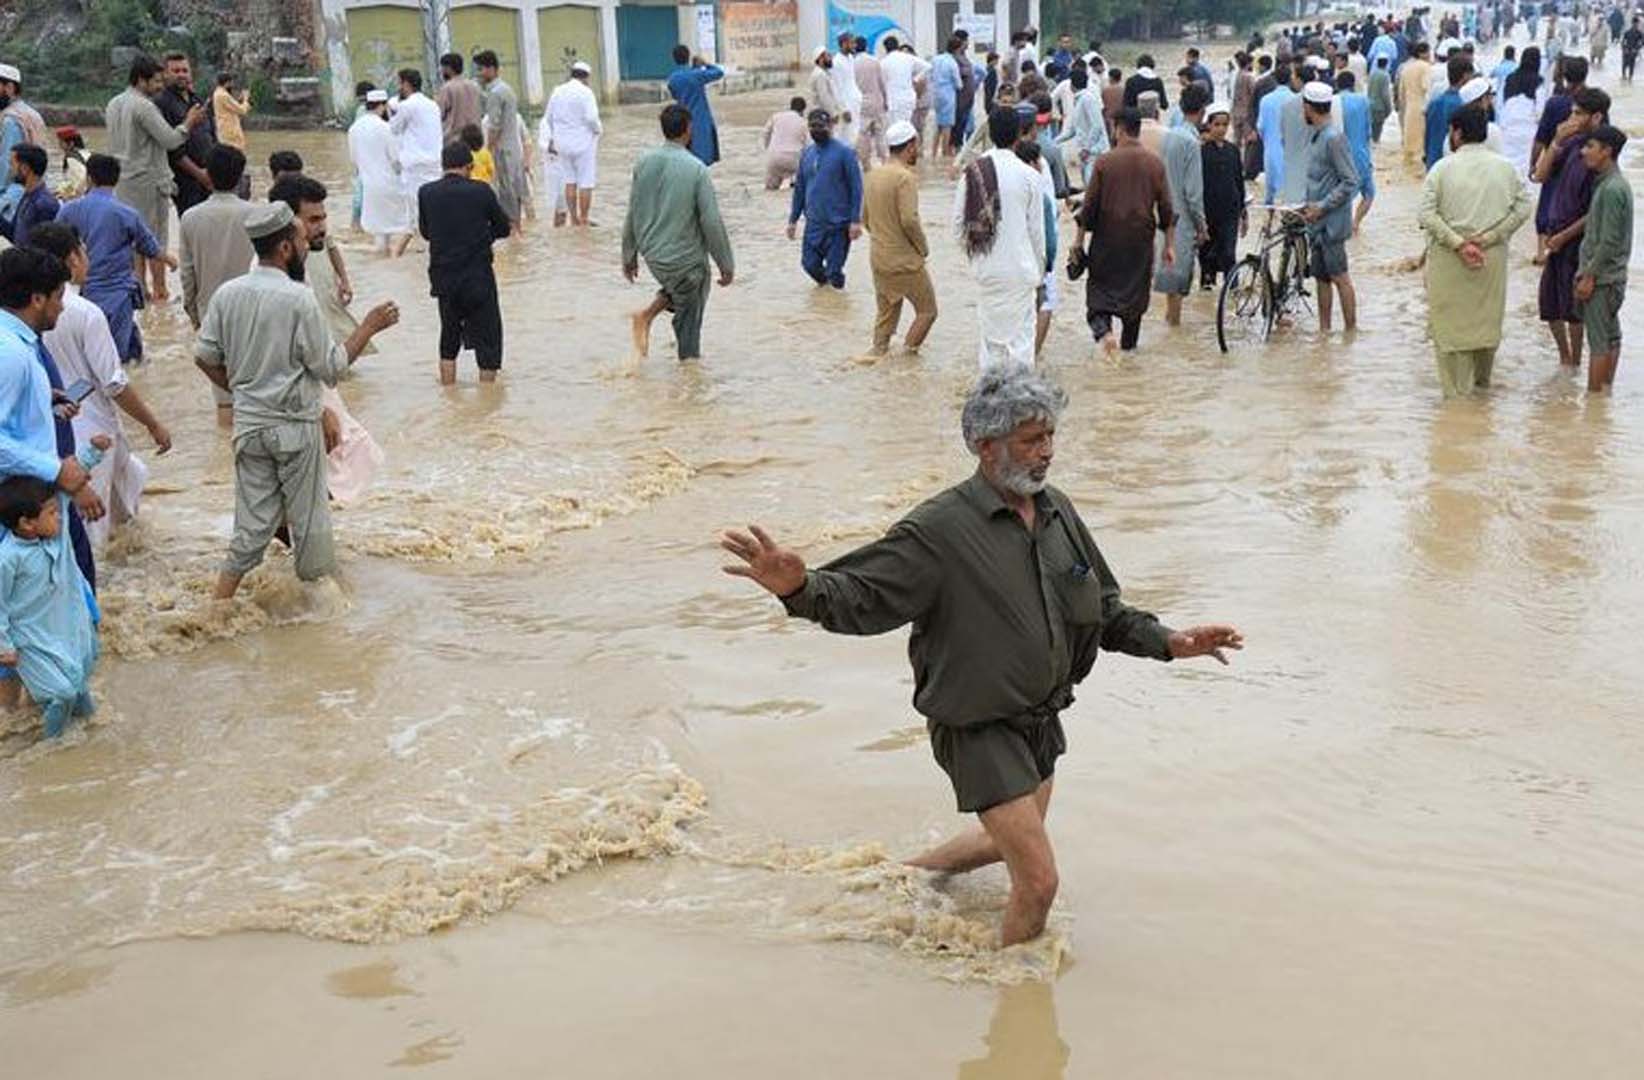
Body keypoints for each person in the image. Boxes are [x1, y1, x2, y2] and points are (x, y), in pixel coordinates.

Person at [718, 367, 1242, 947]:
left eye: (1049, 437)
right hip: (977, 726)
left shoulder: (1055, 511)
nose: (1045, 453)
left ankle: (904, 876)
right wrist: (798, 588)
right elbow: (862, 600)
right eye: (1029, 440)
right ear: (984, 445)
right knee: (1038, 882)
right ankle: (1011, 999)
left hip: (1039, 721)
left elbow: (1102, 606)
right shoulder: (938, 530)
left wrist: (1171, 642)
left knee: (1003, 841)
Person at [193, 202, 399, 599]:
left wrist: (241, 391)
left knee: (251, 526)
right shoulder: (297, 299)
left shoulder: (227, 295)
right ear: (285, 248)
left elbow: (203, 357)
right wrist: (369, 326)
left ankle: (218, 605)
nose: (308, 248)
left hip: (250, 426)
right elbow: (332, 367)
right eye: (303, 241)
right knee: (310, 526)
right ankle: (322, 621)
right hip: (294, 429)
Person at [29, 222, 170, 545]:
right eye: (84, 250)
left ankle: (132, 570)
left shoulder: (25, 311)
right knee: (95, 526)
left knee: (125, 500)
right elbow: (114, 383)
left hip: (61, 432)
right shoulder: (86, 313)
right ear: (73, 260)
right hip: (95, 434)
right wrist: (153, 424)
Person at [0, 244, 105, 641]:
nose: (63, 307)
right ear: (36, 298)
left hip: (29, 499)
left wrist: (43, 399)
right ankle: (14, 705)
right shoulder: (10, 354)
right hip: (15, 504)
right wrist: (56, 468)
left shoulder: (16, 345)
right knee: (22, 623)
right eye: (59, 297)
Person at [1417, 106, 1532, 397]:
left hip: (1450, 261)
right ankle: (1481, 400)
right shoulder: (1505, 168)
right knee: (1485, 328)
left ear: (1456, 132)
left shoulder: (1442, 168)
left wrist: (1459, 243)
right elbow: (1523, 207)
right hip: (1490, 259)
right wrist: (1492, 236)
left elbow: (1426, 215)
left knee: (1451, 335)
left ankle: (1457, 406)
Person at [0, 433, 108, 738]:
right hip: (31, 641)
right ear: (26, 524)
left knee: (80, 689)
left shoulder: (55, 535)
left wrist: (93, 452)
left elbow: (67, 485)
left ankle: (86, 741)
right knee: (61, 693)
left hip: (64, 627)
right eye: (51, 514)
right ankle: (51, 748)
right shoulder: (7, 559)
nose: (60, 518)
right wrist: (4, 645)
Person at [622, 104, 735, 360]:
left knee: (682, 289)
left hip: (653, 257)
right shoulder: (697, 169)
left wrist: (628, 255)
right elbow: (712, 222)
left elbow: (632, 211)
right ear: (688, 130)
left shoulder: (643, 162)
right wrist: (725, 264)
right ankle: (689, 379)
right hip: (685, 263)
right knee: (690, 315)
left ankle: (646, 316)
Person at [104, 54, 206, 304]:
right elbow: (171, 140)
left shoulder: (114, 103)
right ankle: (160, 292)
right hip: (148, 181)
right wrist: (188, 123)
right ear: (142, 80)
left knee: (134, 237)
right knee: (153, 239)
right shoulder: (144, 106)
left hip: (123, 181)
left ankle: (140, 292)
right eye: (157, 81)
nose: (161, 86)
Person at [52, 154, 172, 365]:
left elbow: (51, 243)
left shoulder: (69, 210)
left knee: (90, 354)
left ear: (89, 178)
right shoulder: (126, 213)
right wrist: (171, 261)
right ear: (117, 180)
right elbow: (150, 248)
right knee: (119, 358)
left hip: (82, 292)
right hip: (118, 295)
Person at [1072, 107, 1172, 355]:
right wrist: (1169, 246)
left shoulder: (1105, 162)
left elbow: (1089, 207)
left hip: (1107, 242)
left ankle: (1105, 334)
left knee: (1098, 300)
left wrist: (1077, 243)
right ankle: (1128, 353)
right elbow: (1167, 209)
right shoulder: (1155, 163)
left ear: (1118, 129)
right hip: (1140, 244)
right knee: (1133, 307)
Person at [952, 107, 1046, 369]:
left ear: (990, 134)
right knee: (1021, 345)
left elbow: (958, 226)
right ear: (1019, 134)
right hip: (1021, 271)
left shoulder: (973, 173)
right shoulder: (1029, 176)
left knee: (990, 343)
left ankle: (989, 400)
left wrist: (977, 258)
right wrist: (1038, 272)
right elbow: (1036, 232)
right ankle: (1020, 403)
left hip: (987, 270)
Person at [416, 143, 510, 385]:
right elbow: (504, 228)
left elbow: (426, 232)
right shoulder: (481, 191)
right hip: (478, 277)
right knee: (488, 338)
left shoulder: (426, 193)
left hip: (444, 278)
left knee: (448, 335)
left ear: (443, 166)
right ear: (469, 166)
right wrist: (482, 238)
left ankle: (448, 390)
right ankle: (487, 397)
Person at [1534, 86, 1609, 369]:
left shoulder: (1599, 154)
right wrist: (1555, 141)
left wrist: (1565, 236)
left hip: (1577, 241)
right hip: (1557, 237)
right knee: (1549, 304)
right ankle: (1565, 359)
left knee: (1573, 310)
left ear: (1596, 117)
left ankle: (1575, 362)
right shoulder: (1570, 146)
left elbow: (1595, 211)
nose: (1572, 119)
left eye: (1579, 114)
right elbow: (1540, 175)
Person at [178, 145, 253, 415]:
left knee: (224, 402)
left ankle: (224, 453)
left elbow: (187, 273)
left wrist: (193, 313)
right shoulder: (256, 215)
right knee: (254, 395)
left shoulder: (190, 217)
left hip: (211, 314)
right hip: (252, 313)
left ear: (208, 174)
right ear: (240, 175)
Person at [271, 174, 368, 368]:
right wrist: (370, 327)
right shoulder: (281, 289)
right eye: (314, 220)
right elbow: (329, 366)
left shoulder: (297, 270)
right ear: (291, 223)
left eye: (323, 219)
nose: (322, 228)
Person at [862, 121, 935, 355]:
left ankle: (879, 356)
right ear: (910, 146)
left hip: (879, 258)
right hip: (905, 261)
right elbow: (909, 220)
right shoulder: (905, 178)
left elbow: (865, 219)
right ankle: (906, 358)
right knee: (927, 311)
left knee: (886, 314)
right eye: (917, 146)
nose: (918, 151)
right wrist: (923, 248)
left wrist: (884, 238)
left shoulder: (873, 175)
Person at [1574, 125, 1631, 393]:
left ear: (1607, 151)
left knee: (1598, 342)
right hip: (1612, 276)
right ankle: (1605, 394)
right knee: (1611, 336)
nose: (1584, 152)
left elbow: (1608, 240)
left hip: (1603, 278)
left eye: (1590, 147)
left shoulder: (1610, 189)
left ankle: (1594, 402)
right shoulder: (1613, 184)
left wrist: (1589, 275)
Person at [1300, 82, 1359, 333]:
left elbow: (1351, 181)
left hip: (1331, 223)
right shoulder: (1318, 136)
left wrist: (1322, 207)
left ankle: (1350, 331)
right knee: (1321, 278)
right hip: (1316, 223)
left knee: (1339, 276)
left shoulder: (1333, 138)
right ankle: (1324, 331)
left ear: (1307, 107)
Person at [787, 109, 863, 290]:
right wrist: (793, 220)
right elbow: (800, 189)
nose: (816, 130)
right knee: (809, 265)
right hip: (814, 224)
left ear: (830, 126)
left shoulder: (845, 153)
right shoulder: (807, 154)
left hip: (838, 225)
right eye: (813, 126)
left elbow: (857, 188)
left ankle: (837, 306)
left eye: (821, 126)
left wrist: (855, 221)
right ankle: (826, 299)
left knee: (834, 272)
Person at [1154, 85, 1208, 326]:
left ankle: (1169, 324)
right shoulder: (1192, 143)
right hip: (1184, 219)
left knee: (1169, 278)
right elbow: (1193, 193)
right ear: (1203, 111)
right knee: (1178, 282)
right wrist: (1202, 226)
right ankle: (1173, 327)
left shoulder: (1168, 136)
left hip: (1164, 215)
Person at [349, 89, 413, 256]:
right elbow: (396, 159)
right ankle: (396, 259)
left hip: (368, 185)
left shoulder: (354, 129)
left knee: (379, 232)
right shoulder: (385, 128)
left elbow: (354, 160)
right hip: (389, 183)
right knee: (407, 224)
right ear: (383, 106)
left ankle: (383, 259)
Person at [156, 52, 217, 220]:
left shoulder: (196, 100)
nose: (181, 75)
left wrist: (215, 171)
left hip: (210, 176)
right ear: (165, 74)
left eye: (184, 70)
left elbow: (212, 134)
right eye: (175, 71)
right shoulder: (162, 103)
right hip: (186, 180)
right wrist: (200, 175)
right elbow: (172, 149)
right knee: (192, 227)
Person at [543, 60, 603, 226]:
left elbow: (548, 117)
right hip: (583, 143)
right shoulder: (586, 92)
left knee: (570, 180)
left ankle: (574, 218)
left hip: (562, 144)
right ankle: (584, 219)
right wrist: (598, 129)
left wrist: (557, 135)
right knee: (586, 181)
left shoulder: (557, 91)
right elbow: (592, 118)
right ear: (586, 77)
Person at [473, 50, 527, 231]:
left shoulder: (495, 93)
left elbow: (494, 126)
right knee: (515, 188)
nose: (479, 74)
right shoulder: (506, 89)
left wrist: (488, 149)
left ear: (491, 69)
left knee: (506, 190)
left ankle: (513, 230)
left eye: (481, 70)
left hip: (503, 149)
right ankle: (517, 226)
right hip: (514, 148)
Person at [1199, 103, 1246, 291]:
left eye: (1225, 125)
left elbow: (1238, 181)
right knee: (1206, 253)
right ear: (1209, 125)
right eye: (1217, 124)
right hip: (1208, 211)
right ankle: (1207, 287)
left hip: (1230, 210)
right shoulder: (1201, 151)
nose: (1221, 129)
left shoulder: (1233, 150)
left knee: (1228, 252)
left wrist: (1243, 212)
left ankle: (1232, 290)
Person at [390, 68, 443, 209]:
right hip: (435, 161)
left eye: (399, 84)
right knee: (434, 203)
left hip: (415, 164)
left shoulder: (407, 106)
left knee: (416, 206)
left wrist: (391, 111)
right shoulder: (433, 105)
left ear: (406, 84)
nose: (398, 88)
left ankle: (417, 231)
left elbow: (394, 129)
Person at [667, 46, 725, 167]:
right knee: (702, 161)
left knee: (686, 161)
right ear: (688, 57)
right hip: (701, 121)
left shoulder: (672, 79)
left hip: (681, 121)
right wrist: (705, 64)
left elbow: (676, 96)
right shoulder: (697, 75)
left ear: (674, 59)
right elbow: (719, 72)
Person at [1334, 72, 1374, 233]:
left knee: (1344, 195)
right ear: (1353, 84)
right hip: (1361, 154)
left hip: (1341, 155)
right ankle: (1356, 223)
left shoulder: (1334, 101)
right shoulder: (1363, 100)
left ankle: (1343, 226)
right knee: (1369, 193)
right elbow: (1368, 131)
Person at [1056, 67, 1109, 187]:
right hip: (1087, 153)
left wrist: (1087, 148)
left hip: (1095, 152)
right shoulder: (1079, 100)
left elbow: (1097, 126)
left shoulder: (1087, 99)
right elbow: (1072, 131)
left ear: (1071, 85)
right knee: (1088, 186)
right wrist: (1055, 142)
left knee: (1092, 188)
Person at [1, 144, 59, 249]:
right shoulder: (27, 197)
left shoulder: (45, 204)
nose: (10, 170)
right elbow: (13, 234)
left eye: (12, 164)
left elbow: (46, 252)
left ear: (24, 168)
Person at [1258, 61, 1299, 202]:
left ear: (1275, 79)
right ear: (1290, 79)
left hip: (1270, 149)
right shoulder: (1296, 100)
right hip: (1292, 151)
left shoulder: (1265, 100)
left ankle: (1267, 222)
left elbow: (1261, 128)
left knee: (1270, 190)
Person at [1500, 47, 1544, 177]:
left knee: (1507, 166)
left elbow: (1503, 103)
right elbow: (1540, 111)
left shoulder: (1510, 78)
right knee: (1523, 171)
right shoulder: (1539, 81)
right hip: (1528, 131)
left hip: (1508, 128)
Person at [1424, 55, 1471, 169]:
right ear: (1465, 76)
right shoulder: (1463, 106)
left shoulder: (1434, 103)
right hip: (1453, 167)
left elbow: (1427, 135)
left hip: (1433, 162)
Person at [854, 35, 890, 167]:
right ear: (866, 46)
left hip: (861, 103)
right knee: (880, 133)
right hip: (877, 101)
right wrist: (886, 100)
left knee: (863, 134)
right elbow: (882, 83)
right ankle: (885, 161)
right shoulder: (875, 61)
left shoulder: (852, 63)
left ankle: (866, 164)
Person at [1398, 42, 1433, 169]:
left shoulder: (1406, 68)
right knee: (1420, 144)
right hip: (1421, 108)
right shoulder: (1425, 67)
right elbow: (1427, 89)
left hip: (1409, 109)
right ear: (1423, 53)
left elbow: (1401, 93)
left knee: (1409, 144)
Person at [881, 37, 930, 128]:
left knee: (895, 127)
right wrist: (915, 79)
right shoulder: (908, 57)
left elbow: (883, 83)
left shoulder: (884, 62)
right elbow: (927, 66)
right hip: (908, 98)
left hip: (893, 99)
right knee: (907, 125)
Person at [761, 96, 808, 190]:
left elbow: (765, 134)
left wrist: (768, 149)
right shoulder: (804, 122)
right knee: (796, 189)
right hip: (794, 159)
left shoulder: (776, 117)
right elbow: (808, 144)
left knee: (770, 189)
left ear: (790, 106)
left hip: (774, 157)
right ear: (803, 110)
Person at [436, 53, 483, 141]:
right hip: (475, 138)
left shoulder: (447, 88)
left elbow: (439, 114)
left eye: (443, 68)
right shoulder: (474, 86)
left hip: (454, 139)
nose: (441, 71)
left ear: (448, 69)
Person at [831, 32, 864, 149]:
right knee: (844, 136)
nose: (854, 45)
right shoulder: (836, 62)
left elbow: (852, 81)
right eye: (852, 43)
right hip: (846, 105)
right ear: (844, 44)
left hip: (855, 102)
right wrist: (844, 109)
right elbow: (837, 88)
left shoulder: (850, 58)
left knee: (855, 134)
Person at [932, 38, 964, 156]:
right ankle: (945, 153)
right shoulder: (952, 63)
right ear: (957, 49)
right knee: (947, 126)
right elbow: (958, 84)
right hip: (948, 96)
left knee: (938, 125)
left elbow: (930, 75)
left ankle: (933, 152)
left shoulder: (936, 59)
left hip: (936, 94)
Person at [211, 73, 251, 154]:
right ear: (227, 82)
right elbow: (242, 110)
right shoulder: (223, 95)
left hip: (224, 129)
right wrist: (246, 99)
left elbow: (232, 107)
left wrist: (240, 101)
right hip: (230, 130)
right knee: (235, 154)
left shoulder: (217, 93)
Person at [809, 47, 844, 120]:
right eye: (828, 56)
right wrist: (833, 113)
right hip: (821, 114)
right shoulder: (820, 74)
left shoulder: (825, 73)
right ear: (821, 59)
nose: (831, 58)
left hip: (825, 112)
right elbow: (824, 96)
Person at [1368, 56, 1394, 144]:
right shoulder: (1385, 75)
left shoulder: (1372, 74)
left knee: (1372, 125)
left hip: (1370, 103)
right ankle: (1376, 140)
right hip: (1380, 105)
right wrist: (1389, 107)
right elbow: (1385, 94)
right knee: (1378, 126)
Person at [1624, 16, 1644, 81]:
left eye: (1636, 23)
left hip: (1634, 51)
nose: (1635, 25)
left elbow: (1641, 42)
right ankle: (1624, 76)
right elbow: (1623, 41)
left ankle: (1630, 78)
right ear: (1632, 23)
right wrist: (1625, 48)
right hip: (1626, 50)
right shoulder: (1627, 32)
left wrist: (1636, 49)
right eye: (1634, 23)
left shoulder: (1640, 33)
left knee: (1632, 65)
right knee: (1624, 64)